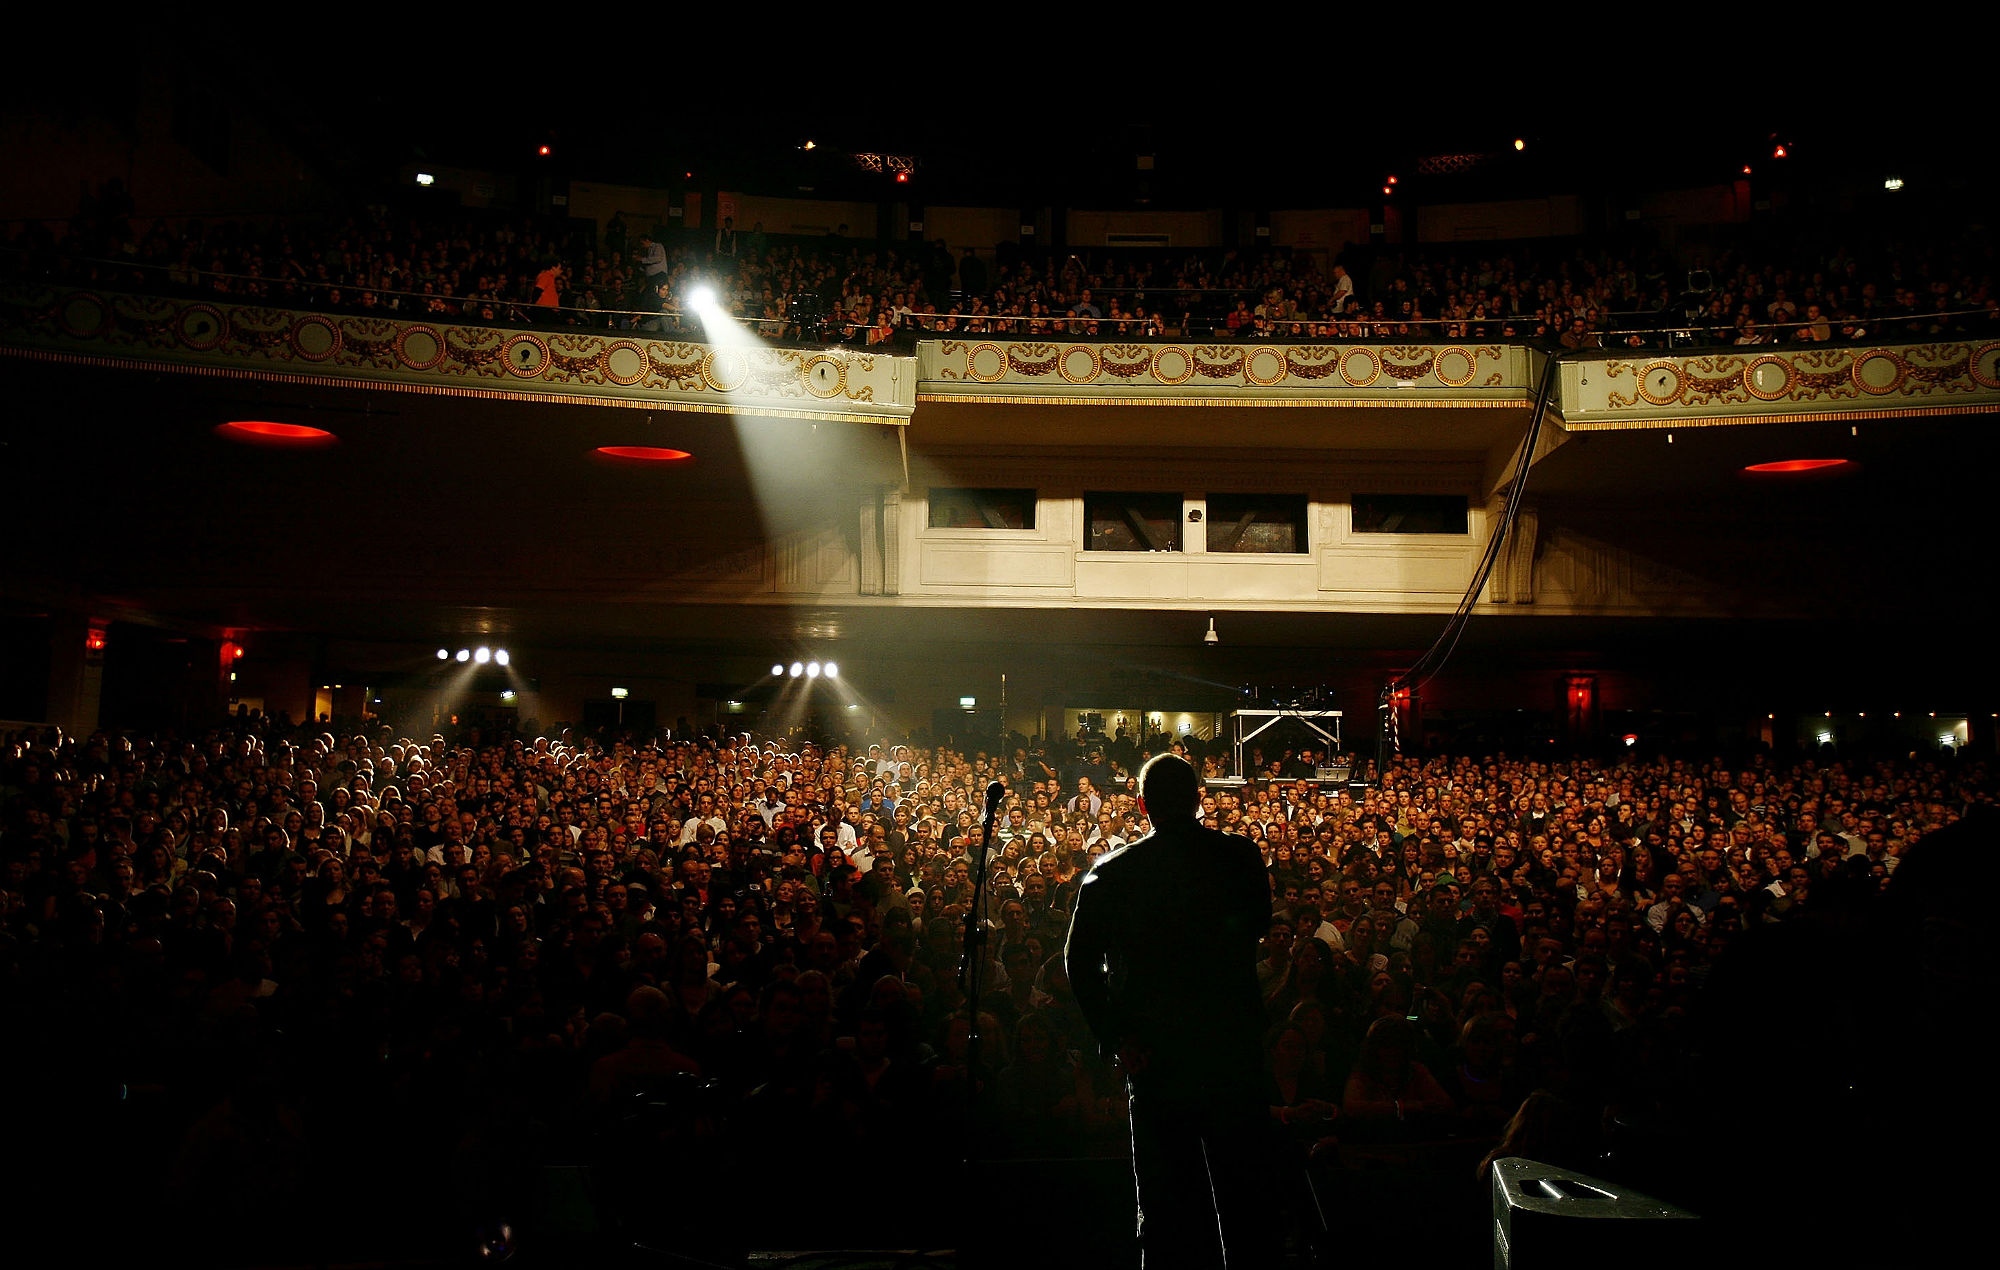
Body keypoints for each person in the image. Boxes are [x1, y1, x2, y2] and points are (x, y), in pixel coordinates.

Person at [1065, 752, 1273, 1268]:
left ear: (1141, 804)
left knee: (1162, 1205)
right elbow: (1259, 927)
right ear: (1200, 799)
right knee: (1243, 1202)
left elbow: (1077, 961)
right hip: (1231, 1054)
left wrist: (1116, 1036)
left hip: (1156, 1057)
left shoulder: (1112, 872)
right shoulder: (1240, 858)